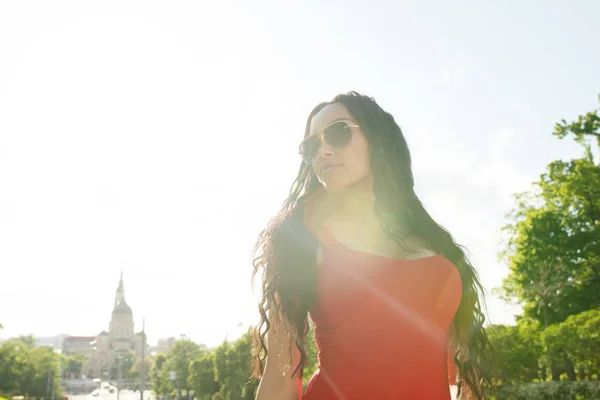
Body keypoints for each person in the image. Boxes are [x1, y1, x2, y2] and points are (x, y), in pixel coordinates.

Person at [251, 92, 490, 399]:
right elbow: (280, 377)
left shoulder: (435, 245)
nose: (322, 151)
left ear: (378, 139)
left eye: (337, 133)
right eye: (311, 147)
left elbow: (459, 372)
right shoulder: (300, 240)